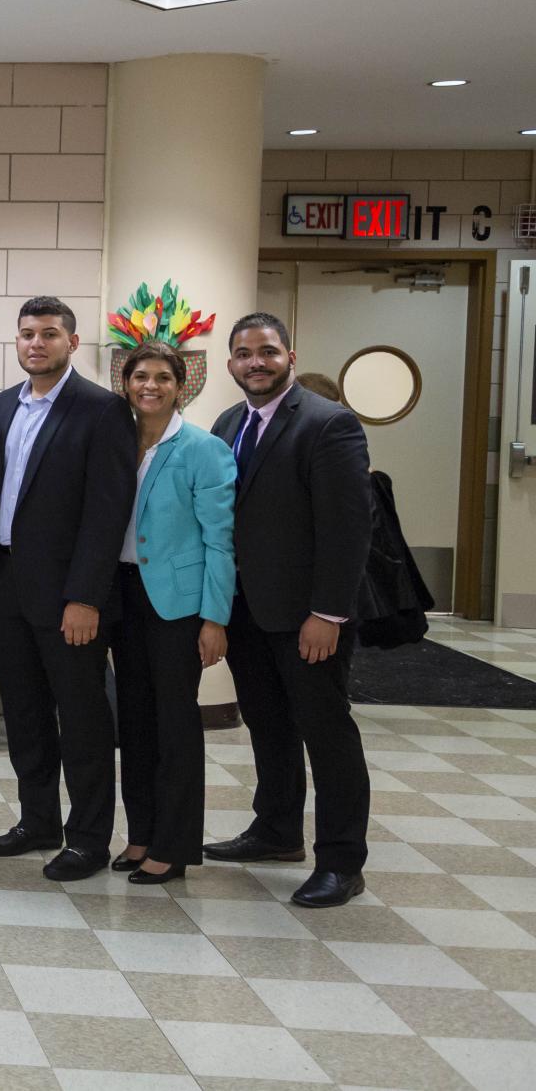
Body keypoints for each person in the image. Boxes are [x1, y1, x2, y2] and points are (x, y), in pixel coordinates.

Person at [204, 313, 374, 908]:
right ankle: (276, 831)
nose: (257, 362)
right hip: (248, 611)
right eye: (245, 353)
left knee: (326, 734)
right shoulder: (228, 423)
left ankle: (342, 861)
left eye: (268, 351)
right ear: (230, 364)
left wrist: (328, 613)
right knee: (269, 725)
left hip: (307, 617)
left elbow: (349, 530)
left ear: (290, 357)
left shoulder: (330, 425)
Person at [0, 297, 135, 881]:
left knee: (84, 718)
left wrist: (87, 597)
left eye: (48, 334)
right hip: (5, 583)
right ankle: (37, 819)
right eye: (26, 334)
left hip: (70, 594)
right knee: (24, 713)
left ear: (71, 341)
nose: (35, 344)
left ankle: (89, 837)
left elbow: (107, 511)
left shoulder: (101, 410)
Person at [108, 340, 237, 884]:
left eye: (163, 377)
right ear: (126, 383)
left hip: (178, 605)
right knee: (134, 721)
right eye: (140, 376)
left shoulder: (203, 449)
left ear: (179, 386)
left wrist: (215, 618)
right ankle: (141, 834)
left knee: (175, 723)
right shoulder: (116, 441)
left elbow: (221, 541)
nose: (150, 386)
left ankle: (175, 844)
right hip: (123, 594)